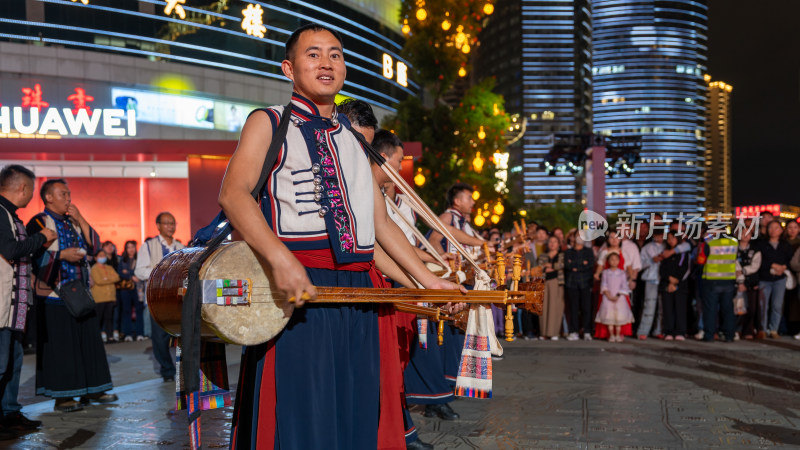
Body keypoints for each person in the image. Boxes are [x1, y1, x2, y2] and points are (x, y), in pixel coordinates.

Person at [220, 24, 460, 450]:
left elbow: (379, 228)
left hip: (360, 294)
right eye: (313, 54)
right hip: (299, 290)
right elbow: (233, 195)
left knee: (357, 407)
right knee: (301, 411)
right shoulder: (268, 121)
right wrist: (281, 261)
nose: (326, 62)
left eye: (335, 54)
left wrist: (429, 281)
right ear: (288, 68)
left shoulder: (354, 140)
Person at [27, 178, 117, 412]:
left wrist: (82, 219)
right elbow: (32, 256)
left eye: (69, 194)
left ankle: (95, 388)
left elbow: (96, 246)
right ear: (48, 197)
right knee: (63, 347)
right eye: (63, 194)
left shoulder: (72, 222)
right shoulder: (39, 222)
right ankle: (64, 396)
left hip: (81, 292)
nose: (69, 198)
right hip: (55, 294)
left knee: (89, 343)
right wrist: (61, 256)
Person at [0, 166, 55, 437]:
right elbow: (9, 250)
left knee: (14, 361)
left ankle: (10, 412)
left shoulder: (13, 216)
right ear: (22, 188)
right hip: (1, 305)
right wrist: (41, 238)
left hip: (15, 306)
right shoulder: (0, 213)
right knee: (1, 363)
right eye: (31, 190)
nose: (31, 196)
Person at [134, 212, 182, 382]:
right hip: (157, 299)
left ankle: (184, 370)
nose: (170, 226)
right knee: (160, 338)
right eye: (167, 223)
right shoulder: (149, 246)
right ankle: (167, 371)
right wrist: (161, 273)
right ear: (158, 225)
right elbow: (139, 271)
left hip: (177, 299)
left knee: (181, 335)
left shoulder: (179, 246)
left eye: (173, 222)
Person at [699, 232, 738, 342]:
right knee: (728, 310)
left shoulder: (709, 242)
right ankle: (729, 335)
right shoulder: (734, 242)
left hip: (712, 280)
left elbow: (700, 261)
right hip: (729, 280)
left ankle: (709, 335)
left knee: (710, 310)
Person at [756, 220, 792, 339]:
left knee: (777, 305)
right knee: (763, 305)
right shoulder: (762, 244)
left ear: (781, 230)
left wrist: (784, 267)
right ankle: (762, 329)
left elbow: (789, 259)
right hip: (764, 278)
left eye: (776, 228)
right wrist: (772, 265)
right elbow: (759, 261)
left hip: (780, 279)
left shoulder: (785, 245)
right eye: (770, 228)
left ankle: (773, 329)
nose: (773, 230)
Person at [659, 232, 690, 340]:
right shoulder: (664, 253)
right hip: (666, 284)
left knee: (680, 308)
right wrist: (669, 279)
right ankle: (668, 331)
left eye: (673, 238)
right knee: (668, 308)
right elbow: (662, 269)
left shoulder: (683, 253)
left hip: (680, 285)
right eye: (668, 238)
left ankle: (680, 332)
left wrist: (676, 281)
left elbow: (686, 268)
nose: (670, 240)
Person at [596, 252, 634, 342]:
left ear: (619, 261)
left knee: (619, 317)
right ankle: (611, 335)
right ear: (608, 261)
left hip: (619, 298)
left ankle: (618, 334)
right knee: (609, 316)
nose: (614, 261)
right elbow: (604, 284)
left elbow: (624, 285)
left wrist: (617, 295)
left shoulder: (621, 273)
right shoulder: (605, 272)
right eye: (611, 259)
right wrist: (608, 295)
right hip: (608, 297)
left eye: (616, 259)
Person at [564, 235, 594, 340]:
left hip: (585, 283)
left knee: (586, 308)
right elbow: (567, 266)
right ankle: (573, 331)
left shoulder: (588, 251)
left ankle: (587, 331)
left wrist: (575, 265)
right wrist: (582, 264)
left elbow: (590, 264)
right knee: (573, 308)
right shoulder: (568, 252)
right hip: (572, 283)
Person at [636, 230, 665, 339]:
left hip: (663, 279)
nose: (660, 237)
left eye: (662, 234)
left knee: (662, 307)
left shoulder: (667, 247)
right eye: (658, 234)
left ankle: (659, 330)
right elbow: (640, 265)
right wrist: (651, 260)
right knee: (649, 305)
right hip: (650, 279)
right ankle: (643, 331)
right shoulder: (647, 248)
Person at [736, 224, 761, 340]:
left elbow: (755, 266)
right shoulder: (733, 248)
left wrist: (743, 271)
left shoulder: (755, 249)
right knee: (738, 308)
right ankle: (737, 329)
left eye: (748, 233)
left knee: (751, 308)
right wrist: (740, 281)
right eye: (742, 233)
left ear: (751, 235)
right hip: (736, 283)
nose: (745, 235)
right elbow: (734, 264)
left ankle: (748, 330)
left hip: (751, 283)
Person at [538, 235, 564, 340]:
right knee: (544, 308)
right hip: (544, 282)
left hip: (557, 282)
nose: (552, 244)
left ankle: (553, 333)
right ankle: (543, 332)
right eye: (550, 242)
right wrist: (545, 268)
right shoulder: (543, 256)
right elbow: (539, 267)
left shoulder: (562, 255)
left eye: (555, 242)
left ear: (558, 244)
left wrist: (551, 266)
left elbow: (563, 265)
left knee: (555, 307)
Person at [90, 249, 119, 343]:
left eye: (104, 255)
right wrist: (109, 279)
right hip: (99, 297)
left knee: (109, 317)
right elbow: (99, 281)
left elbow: (117, 277)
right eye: (100, 255)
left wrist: (106, 279)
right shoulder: (94, 268)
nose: (102, 257)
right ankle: (97, 336)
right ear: (95, 257)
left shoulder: (109, 267)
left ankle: (110, 336)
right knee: (99, 318)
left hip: (110, 296)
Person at [118, 240, 143, 341]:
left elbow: (141, 271)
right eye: (128, 247)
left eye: (132, 247)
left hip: (138, 288)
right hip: (125, 289)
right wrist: (131, 275)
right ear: (126, 249)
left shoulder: (140, 259)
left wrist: (128, 272)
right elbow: (120, 273)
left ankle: (140, 333)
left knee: (139, 311)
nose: (131, 249)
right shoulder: (123, 260)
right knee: (126, 311)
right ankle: (127, 334)